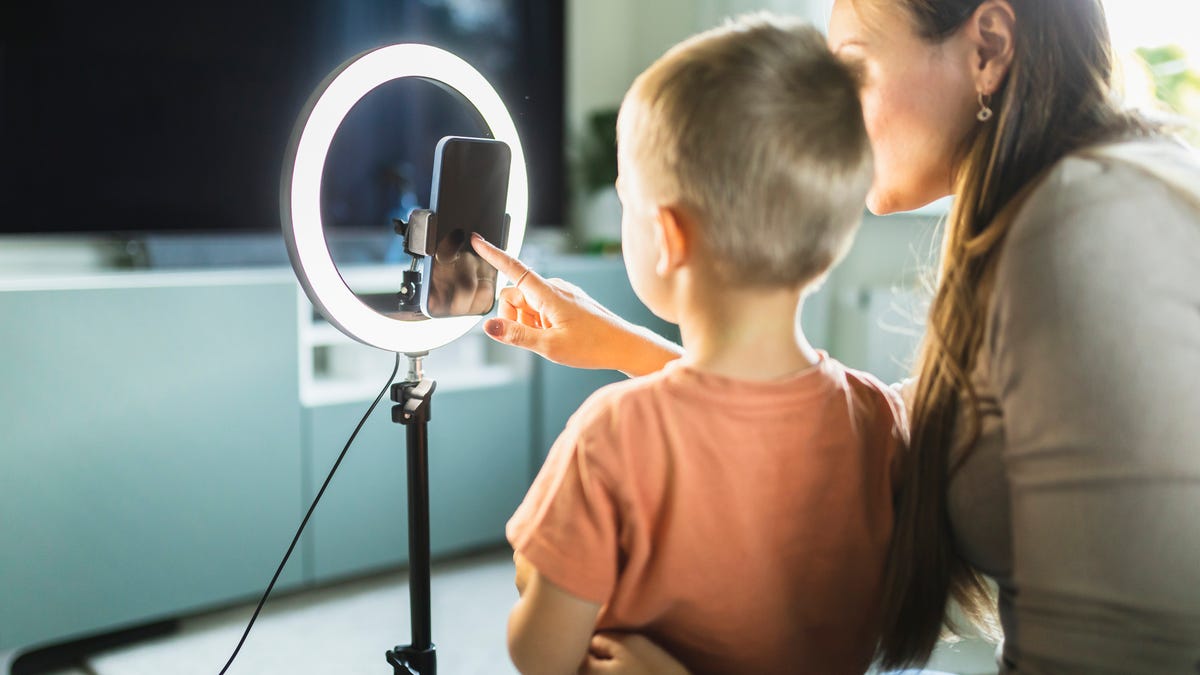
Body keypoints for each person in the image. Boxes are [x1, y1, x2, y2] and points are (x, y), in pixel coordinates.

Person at [474, 0, 1200, 672]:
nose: (830, 117)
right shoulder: (1053, 218)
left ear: (988, 47)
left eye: (851, 68)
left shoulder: (1086, 232)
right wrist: (624, 347)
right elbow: (860, 439)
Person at [500, 15, 907, 675]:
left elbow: (540, 654)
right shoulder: (877, 418)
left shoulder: (611, 434)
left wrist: (537, 568)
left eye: (625, 200)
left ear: (668, 236)